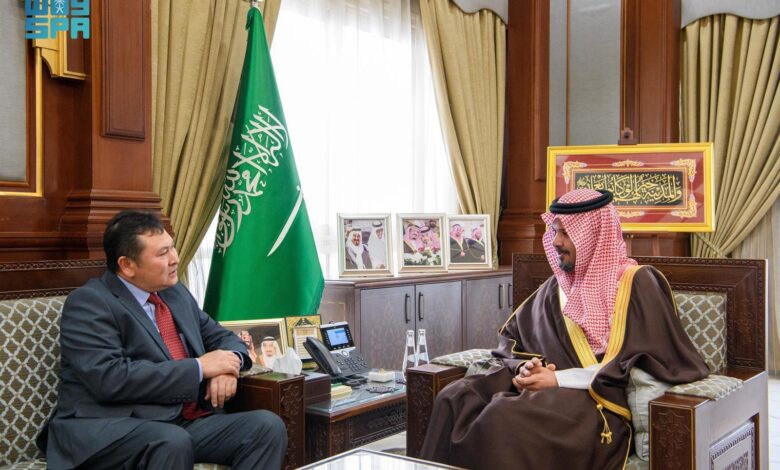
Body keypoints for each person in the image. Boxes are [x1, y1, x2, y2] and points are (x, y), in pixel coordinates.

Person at [420, 189, 709, 470]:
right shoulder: (555, 288)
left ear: (594, 236)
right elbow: (514, 341)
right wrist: (527, 368)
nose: (556, 241)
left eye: (566, 233)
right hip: (547, 388)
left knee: (504, 418)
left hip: (599, 398)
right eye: (555, 231)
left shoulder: (637, 283)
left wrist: (557, 379)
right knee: (456, 396)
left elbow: (646, 360)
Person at [36, 210, 287, 470]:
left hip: (180, 422)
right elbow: (111, 379)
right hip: (110, 428)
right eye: (162, 253)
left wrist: (228, 365)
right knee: (171, 441)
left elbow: (221, 336)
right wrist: (199, 368)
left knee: (266, 427)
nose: (175, 259)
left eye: (172, 247)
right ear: (127, 265)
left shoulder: (174, 292)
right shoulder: (90, 303)